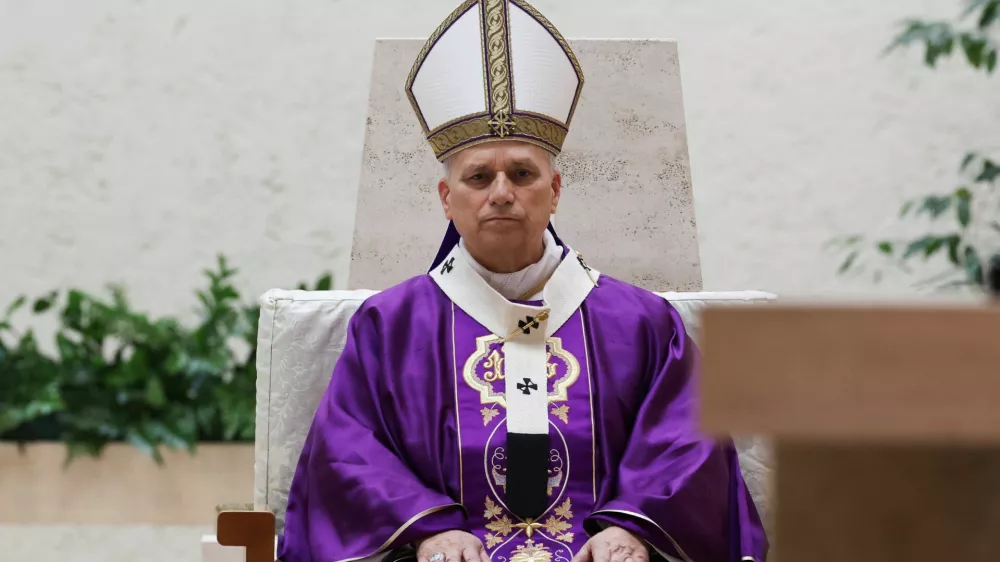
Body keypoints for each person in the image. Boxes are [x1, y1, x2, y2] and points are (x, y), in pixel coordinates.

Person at [277, 1, 768, 561]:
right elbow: (348, 451)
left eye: (522, 173)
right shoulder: (391, 327)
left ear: (554, 191)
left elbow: (689, 442)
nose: (502, 192)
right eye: (479, 177)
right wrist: (428, 530)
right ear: (447, 199)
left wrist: (633, 527)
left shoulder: (642, 324)